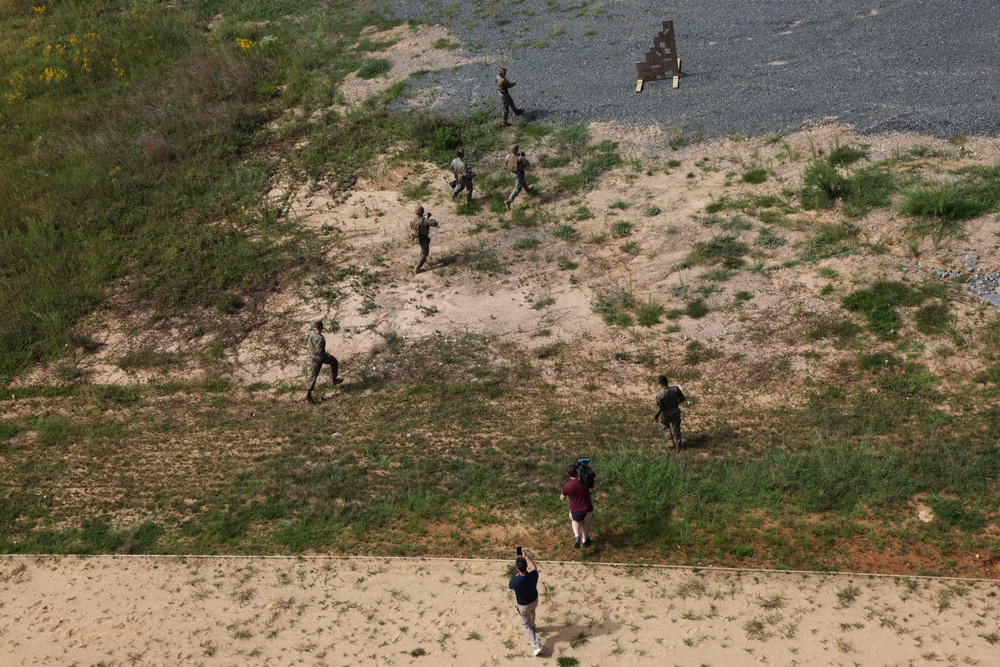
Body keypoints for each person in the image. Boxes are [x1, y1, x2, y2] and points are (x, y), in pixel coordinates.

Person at [508, 549, 544, 657]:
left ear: (517, 568)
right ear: (526, 566)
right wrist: (526, 556)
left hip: (523, 605)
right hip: (534, 600)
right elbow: (534, 567)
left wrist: (517, 575)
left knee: (525, 625)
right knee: (533, 612)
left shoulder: (515, 581)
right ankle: (533, 626)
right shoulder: (533, 575)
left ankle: (537, 646)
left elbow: (510, 585)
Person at [305, 320, 342, 403]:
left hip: (312, 356)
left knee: (313, 375)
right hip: (319, 357)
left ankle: (308, 394)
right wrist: (327, 356)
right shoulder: (320, 339)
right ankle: (334, 379)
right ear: (321, 328)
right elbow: (319, 352)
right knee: (334, 361)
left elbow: (306, 338)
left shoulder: (311, 333)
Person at [560, 463, 594, 548]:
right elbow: (593, 485)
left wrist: (563, 495)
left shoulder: (567, 486)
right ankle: (585, 540)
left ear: (568, 474)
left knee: (575, 521)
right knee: (586, 523)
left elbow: (562, 498)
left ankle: (577, 536)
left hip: (575, 510)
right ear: (577, 472)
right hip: (587, 509)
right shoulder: (584, 481)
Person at [654, 375, 686, 452]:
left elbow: (658, 408)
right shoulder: (675, 389)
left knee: (665, 425)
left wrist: (656, 417)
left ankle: (670, 440)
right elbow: (682, 399)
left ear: (660, 384)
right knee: (676, 428)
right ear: (667, 382)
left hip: (665, 414)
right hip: (675, 411)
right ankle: (678, 445)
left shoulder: (660, 395)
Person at [409, 204, 439, 274]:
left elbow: (412, 227)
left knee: (423, 250)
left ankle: (423, 261)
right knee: (425, 253)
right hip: (423, 239)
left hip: (416, 238)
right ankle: (417, 268)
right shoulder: (424, 221)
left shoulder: (413, 220)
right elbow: (433, 223)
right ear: (422, 212)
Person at [505, 144, 531, 211]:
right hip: (519, 174)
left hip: (512, 173)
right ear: (517, 150)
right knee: (518, 188)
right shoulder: (520, 158)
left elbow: (506, 163)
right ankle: (509, 200)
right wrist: (522, 157)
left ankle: (528, 191)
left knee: (522, 181)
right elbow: (527, 164)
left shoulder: (508, 156)